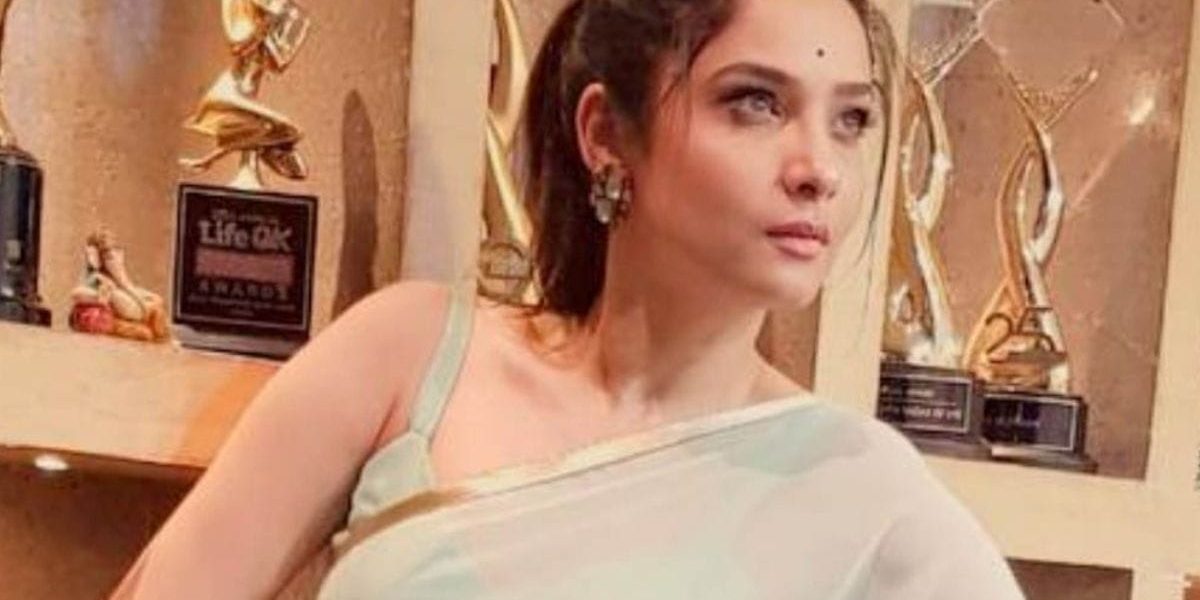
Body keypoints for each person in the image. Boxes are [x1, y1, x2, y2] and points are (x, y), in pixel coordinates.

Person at [114, 0, 1025, 597]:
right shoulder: (411, 357)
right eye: (755, 102)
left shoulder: (862, 492)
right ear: (604, 134)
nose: (819, 167)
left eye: (852, 119)